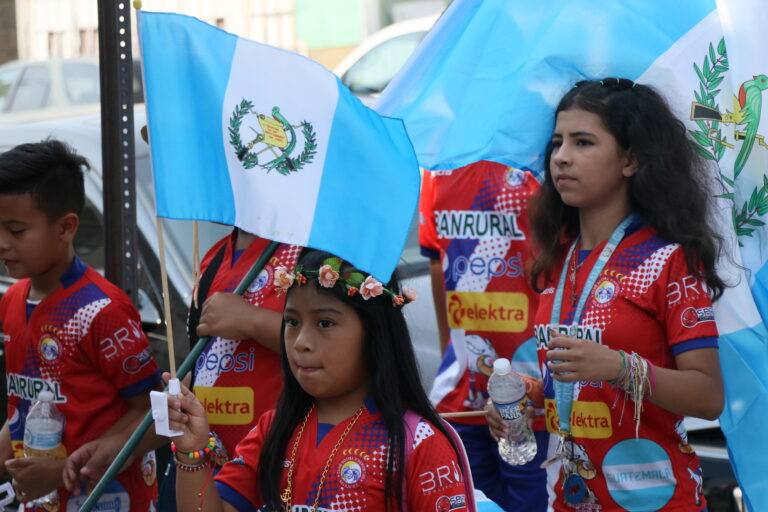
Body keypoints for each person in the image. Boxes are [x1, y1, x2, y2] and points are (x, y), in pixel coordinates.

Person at [526, 78, 725, 511]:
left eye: (583, 142)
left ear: (630, 160)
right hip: (569, 499)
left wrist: (620, 367)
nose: (561, 157)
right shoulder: (556, 260)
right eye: (557, 142)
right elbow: (576, 385)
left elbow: (708, 397)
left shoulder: (669, 259)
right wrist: (529, 399)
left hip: (655, 499)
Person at [166, 249, 481, 512]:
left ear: (375, 334)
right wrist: (191, 451)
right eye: (291, 321)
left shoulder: (419, 441)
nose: (301, 341)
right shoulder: (276, 429)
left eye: (325, 322)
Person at [0, 139, 161, 510]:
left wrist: (59, 473)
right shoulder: (11, 300)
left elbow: (152, 414)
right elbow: (21, 410)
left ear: (66, 227)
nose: (2, 244)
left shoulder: (101, 310)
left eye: (17, 231)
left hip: (109, 499)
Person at [419, 161, 549, 510]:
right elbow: (436, 262)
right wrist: (453, 350)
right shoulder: (436, 168)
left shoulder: (539, 159)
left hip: (529, 392)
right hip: (459, 391)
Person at [155, 227, 301, 510]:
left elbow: (331, 344)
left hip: (275, 457)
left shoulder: (307, 253)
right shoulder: (214, 255)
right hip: (203, 458)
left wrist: (252, 321)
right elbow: (205, 363)